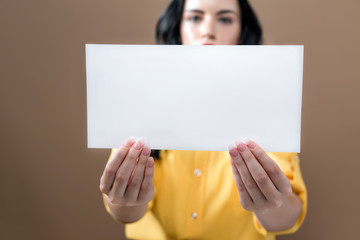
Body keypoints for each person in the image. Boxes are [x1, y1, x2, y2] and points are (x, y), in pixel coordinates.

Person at [99, 0, 307, 239]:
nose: (208, 30)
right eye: (195, 18)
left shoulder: (270, 106)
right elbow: (126, 213)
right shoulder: (140, 97)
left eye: (225, 19)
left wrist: (272, 204)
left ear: (242, 32)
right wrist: (124, 199)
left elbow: (289, 215)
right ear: (177, 27)